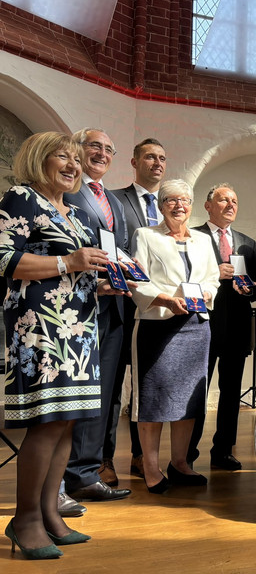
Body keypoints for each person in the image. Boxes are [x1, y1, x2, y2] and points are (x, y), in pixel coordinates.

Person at [0, 132, 125, 558]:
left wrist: (101, 284)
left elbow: (76, 268)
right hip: (40, 326)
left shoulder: (74, 214)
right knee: (47, 421)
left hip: (80, 328)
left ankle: (50, 514)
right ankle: (25, 519)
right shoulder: (21, 198)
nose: (73, 165)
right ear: (39, 158)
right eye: (63, 157)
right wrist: (67, 262)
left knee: (69, 420)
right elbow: (3, 259)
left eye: (77, 159)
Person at [129, 180, 220, 493]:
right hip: (157, 323)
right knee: (153, 399)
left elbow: (213, 280)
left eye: (184, 199)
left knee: (189, 400)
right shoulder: (145, 235)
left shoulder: (203, 240)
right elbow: (136, 281)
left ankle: (180, 463)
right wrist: (167, 300)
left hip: (196, 325)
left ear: (192, 204)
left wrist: (205, 292)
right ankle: (151, 469)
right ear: (160, 205)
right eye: (170, 200)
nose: (179, 205)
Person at [62, 128, 132, 502]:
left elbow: (115, 248)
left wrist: (128, 270)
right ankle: (60, 477)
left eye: (108, 148)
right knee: (74, 393)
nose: (102, 154)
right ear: (78, 150)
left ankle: (85, 473)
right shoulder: (69, 189)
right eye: (95, 146)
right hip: (79, 306)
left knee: (100, 395)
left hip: (113, 306)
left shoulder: (115, 202)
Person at [188, 183, 256, 470]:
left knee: (232, 392)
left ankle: (223, 451)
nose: (230, 205)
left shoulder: (247, 242)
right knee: (197, 391)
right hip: (201, 324)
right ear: (208, 205)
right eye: (223, 200)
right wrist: (214, 272)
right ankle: (186, 454)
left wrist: (251, 289)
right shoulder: (192, 236)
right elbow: (183, 276)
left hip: (236, 326)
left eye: (234, 200)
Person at [110, 138, 166, 479]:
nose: (157, 163)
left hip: (157, 306)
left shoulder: (170, 206)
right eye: (149, 157)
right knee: (117, 383)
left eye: (161, 158)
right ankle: (103, 460)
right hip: (120, 301)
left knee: (147, 383)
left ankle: (140, 456)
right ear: (134, 163)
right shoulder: (116, 199)